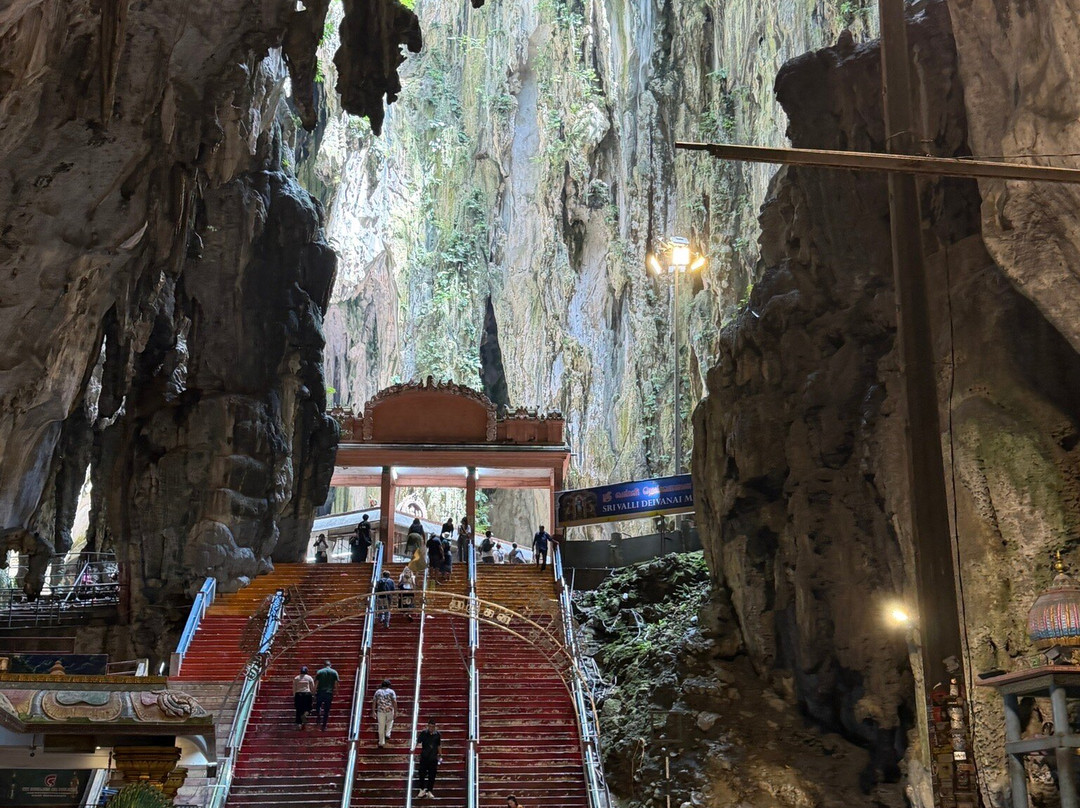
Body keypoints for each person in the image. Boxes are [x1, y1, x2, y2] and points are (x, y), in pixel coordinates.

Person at [415, 717, 442, 798]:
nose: (431, 728)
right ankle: (422, 789)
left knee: (432, 775)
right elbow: (418, 742)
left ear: (434, 727)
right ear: (428, 726)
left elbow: (438, 745)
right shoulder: (424, 733)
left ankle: (429, 790)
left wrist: (440, 754)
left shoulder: (437, 735)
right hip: (424, 757)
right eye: (429, 726)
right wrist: (414, 750)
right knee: (422, 773)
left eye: (432, 727)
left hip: (433, 757)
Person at [371, 679, 398, 747]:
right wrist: (395, 711)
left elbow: (374, 701)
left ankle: (381, 741)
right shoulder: (391, 692)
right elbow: (394, 701)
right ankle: (387, 733)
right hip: (389, 709)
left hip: (380, 710)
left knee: (381, 726)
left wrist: (373, 711)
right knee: (390, 721)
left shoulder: (378, 692)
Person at [314, 659, 339, 730]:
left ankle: (319, 714)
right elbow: (336, 683)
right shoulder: (334, 672)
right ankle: (324, 726)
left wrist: (314, 691)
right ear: (330, 665)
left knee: (318, 705)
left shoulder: (319, 672)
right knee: (326, 710)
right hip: (329, 692)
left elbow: (317, 682)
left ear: (324, 665)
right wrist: (336, 691)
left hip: (320, 692)